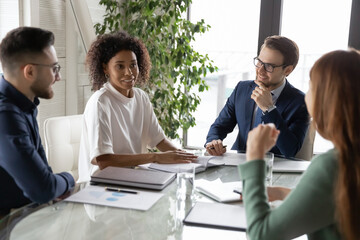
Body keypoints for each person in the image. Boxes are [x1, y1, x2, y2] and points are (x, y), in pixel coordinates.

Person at [239, 49, 360, 240]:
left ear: (330, 101)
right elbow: (336, 201)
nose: (307, 96)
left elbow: (261, 235)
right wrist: (281, 192)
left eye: (312, 88)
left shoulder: (334, 165)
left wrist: (255, 157)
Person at [78, 31, 197, 182]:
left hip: (134, 179)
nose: (129, 73)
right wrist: (155, 157)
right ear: (106, 68)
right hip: (101, 185)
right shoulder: (100, 102)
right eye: (120, 66)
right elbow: (104, 160)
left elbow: (159, 140)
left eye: (133, 65)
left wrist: (190, 158)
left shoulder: (141, 97)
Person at [0, 27, 75, 216]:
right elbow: (44, 189)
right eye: (54, 68)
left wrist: (52, 183)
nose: (58, 77)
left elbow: (44, 176)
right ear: (30, 71)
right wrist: (69, 177)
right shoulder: (5, 115)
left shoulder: (26, 104)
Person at [205, 35, 309, 158]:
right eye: (259, 62)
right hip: (237, 165)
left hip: (272, 169)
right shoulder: (242, 89)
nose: (260, 70)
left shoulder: (301, 102)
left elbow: (290, 150)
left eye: (269, 66)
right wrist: (213, 141)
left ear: (287, 70)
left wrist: (269, 109)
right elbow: (220, 126)